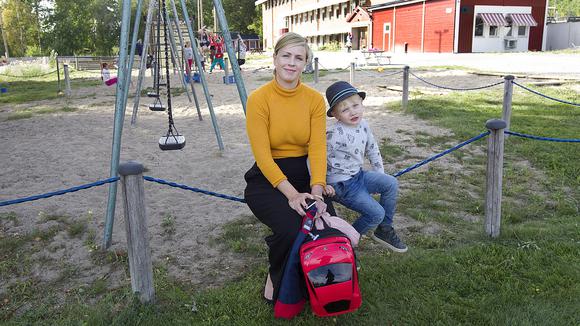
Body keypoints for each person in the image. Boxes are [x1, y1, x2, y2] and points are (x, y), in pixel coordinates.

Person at [243, 32, 335, 304]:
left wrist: (316, 192)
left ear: (306, 64)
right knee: (290, 229)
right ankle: (276, 276)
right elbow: (263, 156)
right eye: (286, 55)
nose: (291, 63)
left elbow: (318, 148)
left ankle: (316, 280)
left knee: (325, 226)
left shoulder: (314, 100)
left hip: (305, 174)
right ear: (274, 59)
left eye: (299, 58)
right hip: (268, 177)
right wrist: (292, 195)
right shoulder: (258, 99)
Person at [324, 81, 408, 253]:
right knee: (376, 213)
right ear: (335, 114)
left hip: (358, 176)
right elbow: (315, 158)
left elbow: (372, 149)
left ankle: (384, 229)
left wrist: (380, 174)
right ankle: (344, 244)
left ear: (361, 103)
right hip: (341, 185)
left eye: (355, 105)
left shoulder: (363, 124)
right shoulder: (333, 134)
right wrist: (321, 183)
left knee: (390, 183)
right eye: (345, 109)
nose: (353, 111)